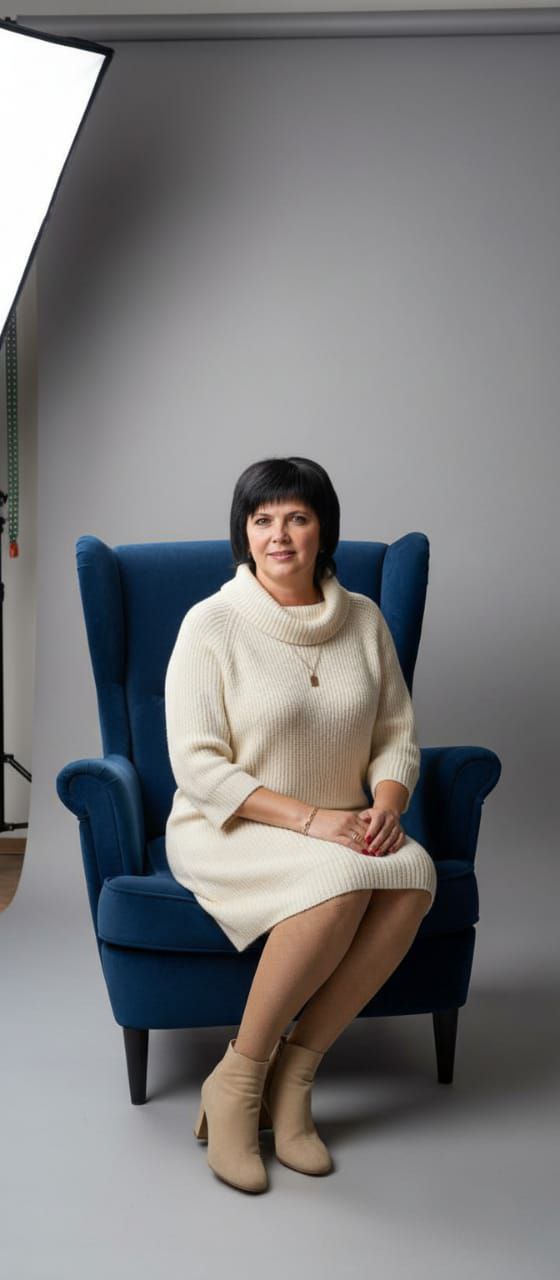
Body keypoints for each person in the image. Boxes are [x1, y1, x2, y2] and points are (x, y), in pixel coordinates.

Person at [164, 455, 437, 1194]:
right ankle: (237, 1079)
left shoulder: (364, 620)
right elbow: (197, 765)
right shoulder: (211, 623)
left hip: (341, 824)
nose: (278, 534)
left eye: (297, 517)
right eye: (262, 519)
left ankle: (295, 1077)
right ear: (244, 534)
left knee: (413, 874)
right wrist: (311, 819)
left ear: (323, 531)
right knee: (342, 881)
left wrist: (387, 803)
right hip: (229, 825)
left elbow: (395, 733)